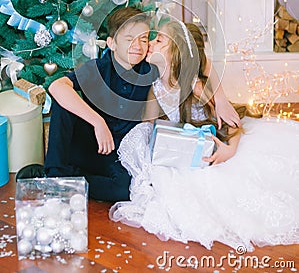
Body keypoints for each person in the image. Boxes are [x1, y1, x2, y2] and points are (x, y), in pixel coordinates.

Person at [110, 19, 299, 251]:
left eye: (158, 40)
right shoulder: (156, 85)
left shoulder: (194, 86)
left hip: (218, 142)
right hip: (187, 144)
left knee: (219, 187)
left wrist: (229, 150)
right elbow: (148, 126)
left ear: (176, 51)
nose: (150, 43)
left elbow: (232, 125)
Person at [17, 7, 159, 201]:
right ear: (112, 43)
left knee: (126, 191)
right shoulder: (98, 68)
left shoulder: (149, 71)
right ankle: (54, 174)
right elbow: (57, 87)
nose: (137, 45)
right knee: (63, 101)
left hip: (117, 154)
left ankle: (65, 181)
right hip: (88, 144)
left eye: (143, 39)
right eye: (129, 39)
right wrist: (98, 122)